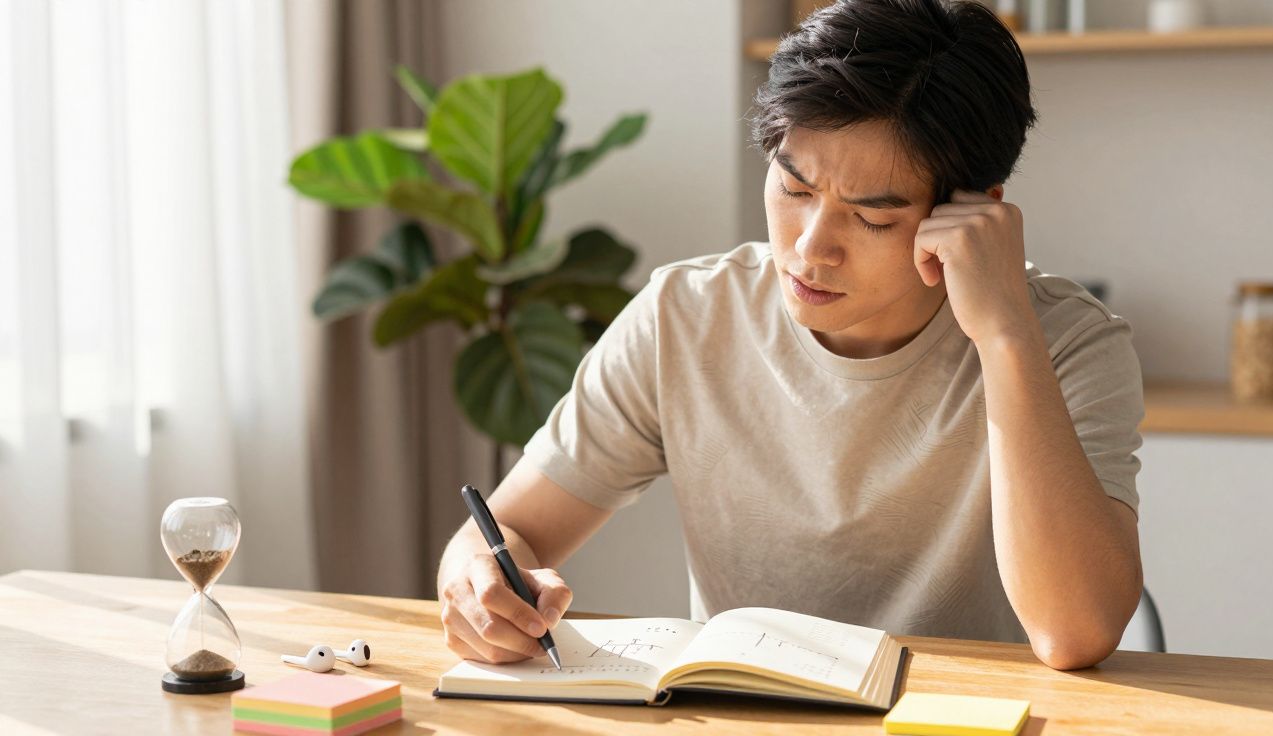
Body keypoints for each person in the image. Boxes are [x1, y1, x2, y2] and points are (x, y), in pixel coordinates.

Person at [436, 0, 1144, 672]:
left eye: (872, 219)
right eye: (794, 188)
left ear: (974, 214)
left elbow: (1073, 632)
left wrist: (1005, 336)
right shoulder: (686, 315)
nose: (810, 248)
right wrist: (478, 585)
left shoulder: (1065, 341)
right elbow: (502, 531)